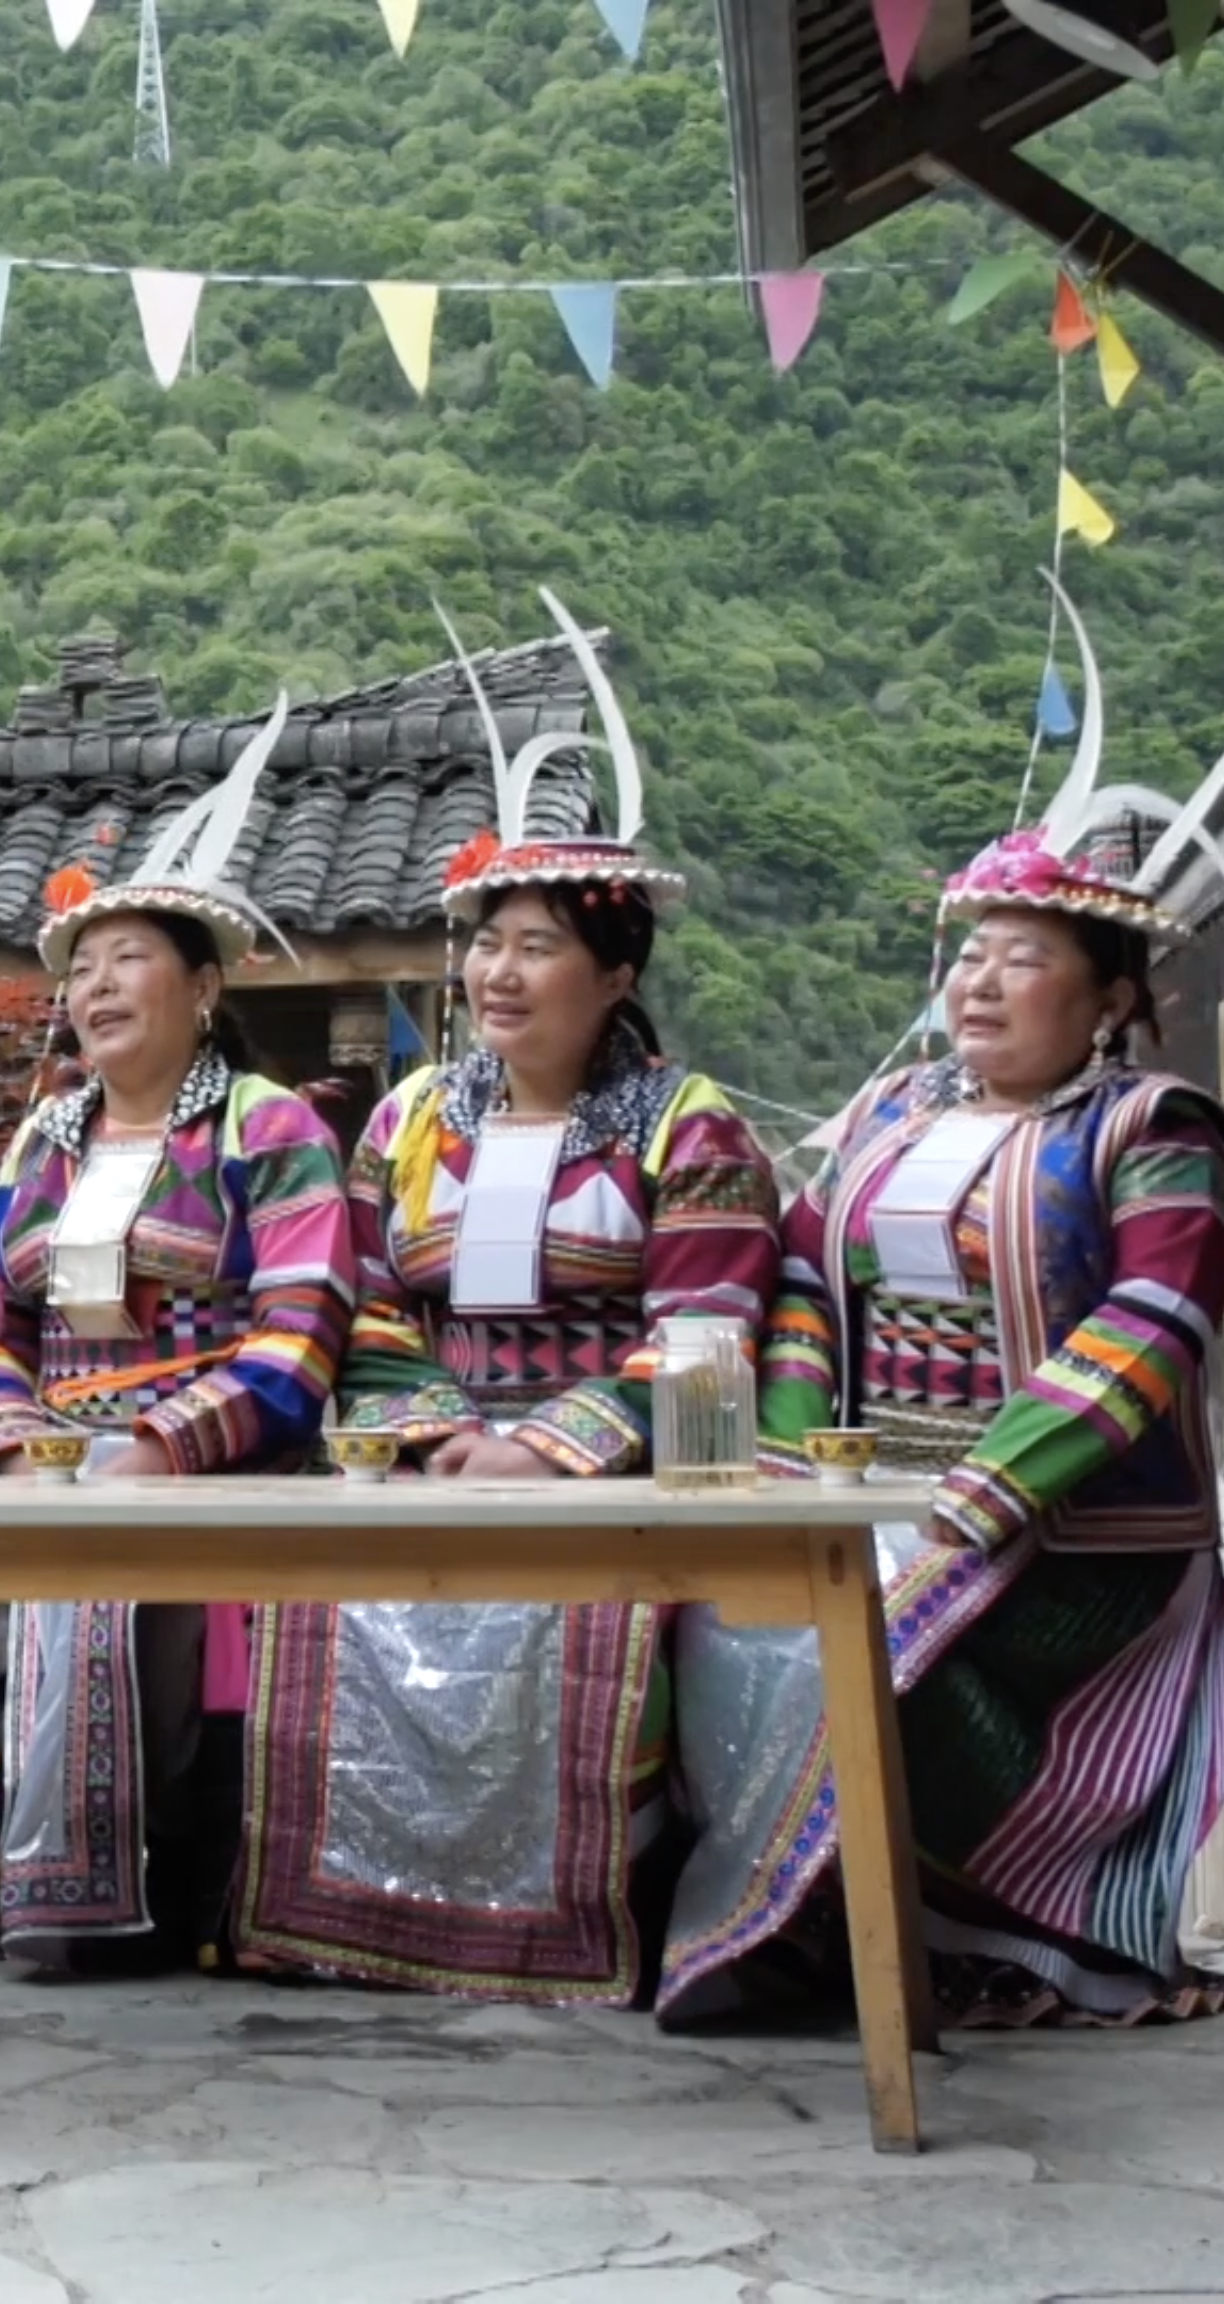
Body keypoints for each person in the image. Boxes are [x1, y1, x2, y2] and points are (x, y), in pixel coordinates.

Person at [664, 586, 1224, 2029]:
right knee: (728, 1621)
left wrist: (989, 1490)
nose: (981, 983)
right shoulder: (890, 1112)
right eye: (971, 955)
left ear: (1111, 999)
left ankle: (942, 1942)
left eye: (1025, 960)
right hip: (870, 1487)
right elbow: (812, 1274)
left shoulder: (1157, 1126)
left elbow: (1150, 1325)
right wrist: (794, 1458)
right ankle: (800, 1932)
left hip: (1075, 1534)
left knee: (893, 1652)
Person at [237, 598, 782, 2005]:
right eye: (485, 941)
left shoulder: (688, 1126)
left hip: (608, 1469)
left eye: (535, 945)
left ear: (614, 976)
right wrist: (438, 1436)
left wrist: (546, 1448)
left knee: (590, 1614)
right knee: (333, 1596)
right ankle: (369, 1926)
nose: (495, 969)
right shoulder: (411, 1120)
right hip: (434, 1453)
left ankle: (572, 1930)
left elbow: (708, 1331)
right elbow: (362, 1309)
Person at [0, 707, 350, 1974]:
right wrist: (12, 1442)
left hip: (215, 1463)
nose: (98, 987)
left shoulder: (267, 1130)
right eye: (83, 968)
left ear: (207, 987)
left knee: (114, 1586)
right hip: (46, 1456)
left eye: (129, 961)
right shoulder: (38, 1140)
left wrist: (162, 1449)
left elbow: (303, 1331)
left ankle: (124, 1908)